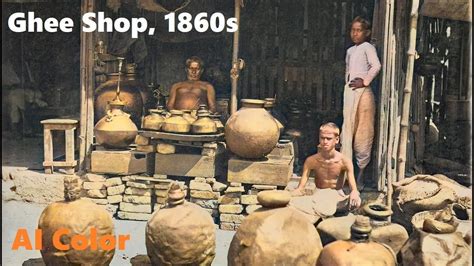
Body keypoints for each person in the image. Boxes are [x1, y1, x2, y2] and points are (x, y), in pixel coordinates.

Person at [289, 122, 362, 224]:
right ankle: (322, 214)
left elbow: (353, 188)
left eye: (329, 138)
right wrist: (288, 196)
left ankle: (322, 213)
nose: (325, 141)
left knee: (357, 202)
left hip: (337, 196)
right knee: (290, 203)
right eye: (322, 138)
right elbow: (300, 189)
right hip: (319, 195)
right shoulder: (311, 160)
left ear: (336, 140)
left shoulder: (344, 161)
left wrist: (354, 192)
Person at [340, 16, 381, 190]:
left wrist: (364, 82)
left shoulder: (368, 47)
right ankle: (346, 176)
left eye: (358, 30)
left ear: (367, 33)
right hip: (350, 93)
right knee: (348, 131)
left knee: (363, 133)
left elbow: (376, 66)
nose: (355, 34)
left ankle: (361, 176)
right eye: (352, 30)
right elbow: (348, 71)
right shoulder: (350, 51)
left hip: (363, 94)